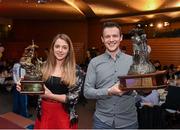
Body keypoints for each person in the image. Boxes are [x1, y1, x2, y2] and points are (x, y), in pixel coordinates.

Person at [17, 33, 85, 129]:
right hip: (44, 114)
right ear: (52, 48)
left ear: (69, 50)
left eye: (64, 47)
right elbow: (36, 91)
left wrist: (49, 95)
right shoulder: (43, 66)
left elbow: (73, 97)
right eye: (57, 46)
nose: (60, 50)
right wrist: (25, 88)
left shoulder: (76, 70)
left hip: (64, 116)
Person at [84, 21, 138, 129]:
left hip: (128, 122)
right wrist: (108, 91)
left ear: (121, 37)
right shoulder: (94, 62)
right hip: (102, 122)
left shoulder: (133, 61)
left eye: (115, 36)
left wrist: (128, 85)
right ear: (102, 39)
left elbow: (138, 84)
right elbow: (87, 92)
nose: (111, 40)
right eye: (107, 36)